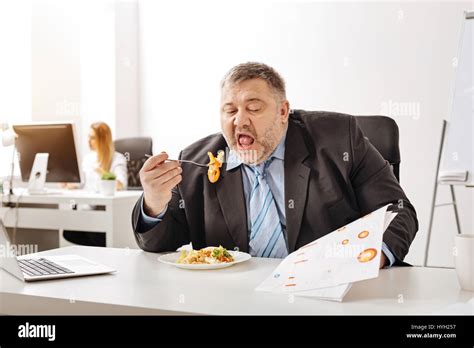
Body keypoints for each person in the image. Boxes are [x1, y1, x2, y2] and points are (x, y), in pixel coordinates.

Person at [132, 62, 418, 267]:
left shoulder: (339, 139)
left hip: (329, 295)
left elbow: (398, 211)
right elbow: (159, 245)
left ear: (283, 111)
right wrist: (154, 204)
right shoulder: (196, 163)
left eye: (253, 108)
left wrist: (369, 258)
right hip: (234, 302)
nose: (239, 121)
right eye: (229, 110)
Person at [63, 121, 128, 246]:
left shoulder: (117, 158)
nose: (88, 141)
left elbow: (121, 185)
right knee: (69, 230)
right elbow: (84, 184)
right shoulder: (88, 158)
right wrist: (71, 184)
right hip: (86, 210)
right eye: (88, 137)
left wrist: (101, 171)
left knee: (90, 235)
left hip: (105, 213)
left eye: (92, 138)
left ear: (103, 139)